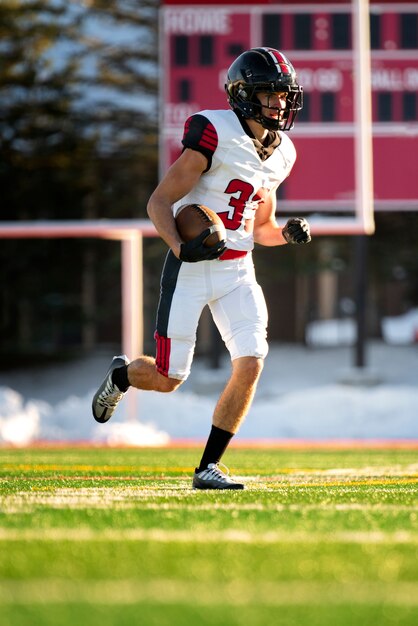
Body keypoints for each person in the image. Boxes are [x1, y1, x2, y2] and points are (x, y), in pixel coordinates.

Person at [92, 47, 311, 489]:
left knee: (251, 362)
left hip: (238, 271)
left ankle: (207, 467)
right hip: (191, 269)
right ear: (245, 94)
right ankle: (121, 375)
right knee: (169, 378)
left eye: (284, 95)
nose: (280, 104)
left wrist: (285, 234)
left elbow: (261, 226)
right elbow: (159, 202)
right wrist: (178, 246)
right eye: (270, 94)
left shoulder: (282, 152)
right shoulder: (214, 131)